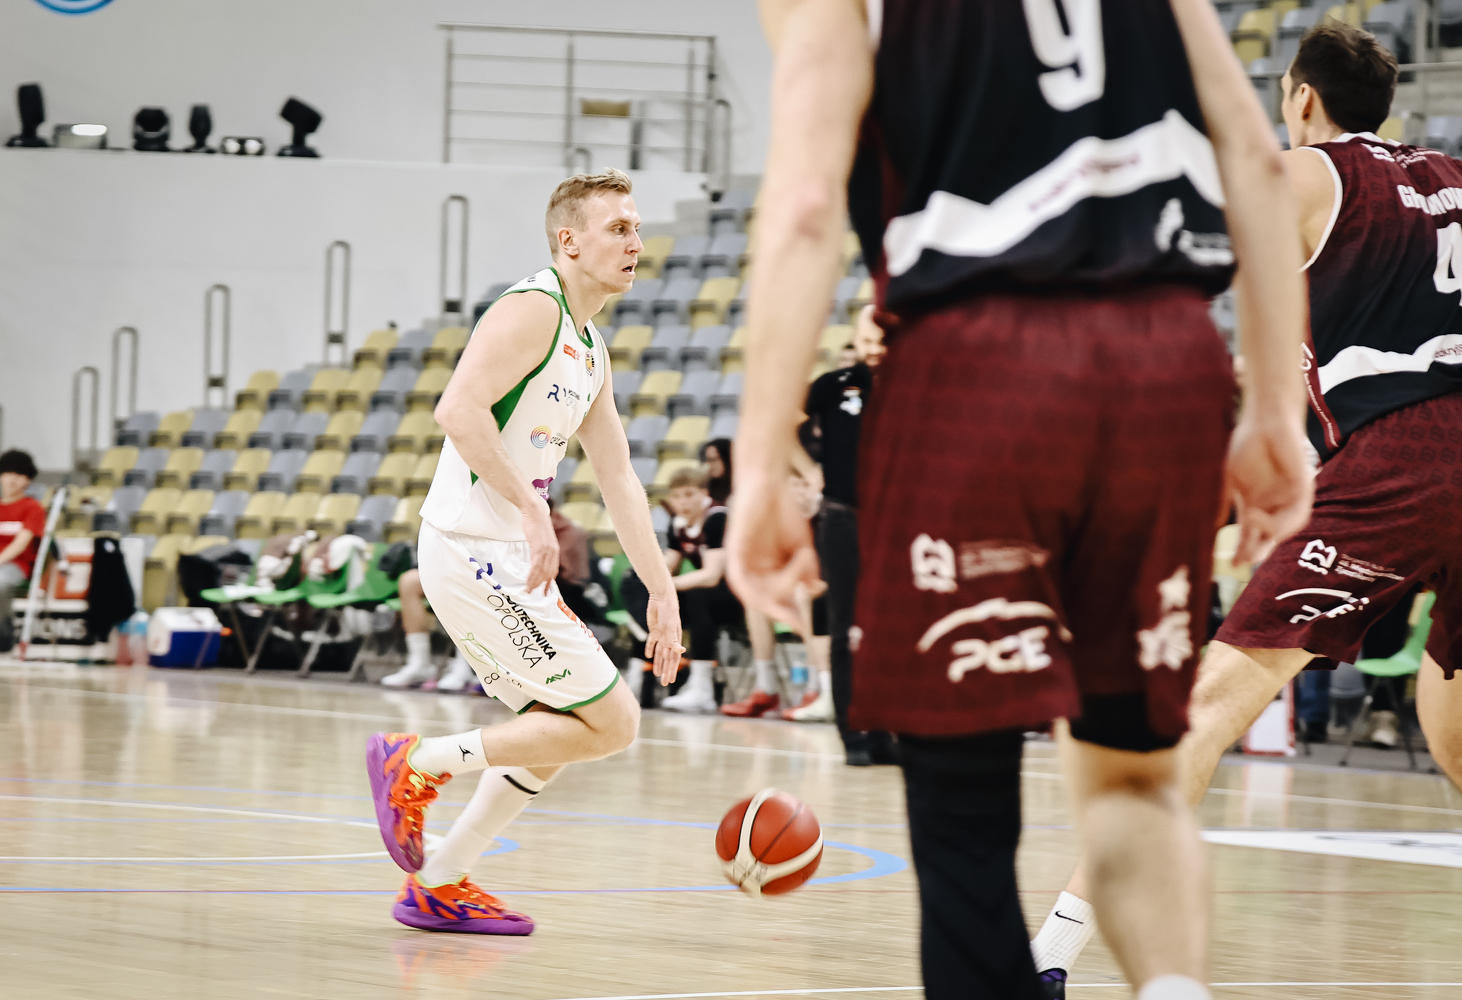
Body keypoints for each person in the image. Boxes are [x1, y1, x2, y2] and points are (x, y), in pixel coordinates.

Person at [726, 4, 1313, 1000]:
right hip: (1167, 360)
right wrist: (1269, 412)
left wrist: (756, 466)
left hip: (976, 362)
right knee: (1133, 775)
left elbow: (805, 207)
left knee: (962, 814)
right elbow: (1257, 162)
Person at [1030, 23, 1462, 989]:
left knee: (1206, 705)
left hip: (1401, 456)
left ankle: (1048, 961)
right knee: (1454, 731)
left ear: (1301, 98)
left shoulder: (1306, 172)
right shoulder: (1453, 175)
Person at [366, 168, 683, 936]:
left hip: (506, 553)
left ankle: (440, 882)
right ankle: (417, 763)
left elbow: (619, 479)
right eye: (619, 229)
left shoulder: (589, 346)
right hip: (473, 546)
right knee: (613, 722)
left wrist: (662, 589)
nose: (635, 243)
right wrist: (533, 508)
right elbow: (457, 410)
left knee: (558, 722)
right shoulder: (534, 309)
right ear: (568, 241)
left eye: (637, 229)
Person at [800, 305, 893, 760]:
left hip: (895, 522)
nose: (873, 350)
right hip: (842, 518)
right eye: (866, 341)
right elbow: (784, 425)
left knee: (890, 628)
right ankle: (853, 734)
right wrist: (809, 471)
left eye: (882, 341)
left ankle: (886, 732)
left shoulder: (914, 385)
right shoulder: (832, 386)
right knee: (845, 627)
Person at [0, 450, 46, 652]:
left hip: (17, 566)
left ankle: (4, 635)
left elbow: (21, 544)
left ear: (28, 480)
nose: (13, 479)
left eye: (19, 475)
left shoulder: (32, 507)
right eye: (8, 473)